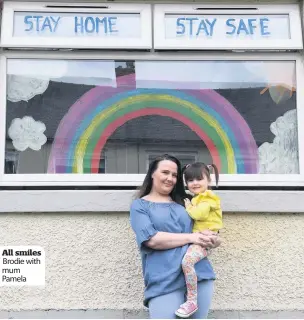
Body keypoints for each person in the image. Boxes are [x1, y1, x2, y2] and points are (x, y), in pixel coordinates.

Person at [129, 154, 221, 319]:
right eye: (165, 172)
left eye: (174, 175)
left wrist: (213, 239)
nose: (170, 178)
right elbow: (152, 240)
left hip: (198, 275)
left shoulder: (186, 202)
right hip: (163, 280)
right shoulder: (140, 206)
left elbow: (207, 227)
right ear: (152, 173)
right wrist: (192, 237)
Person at [175, 162, 223, 318]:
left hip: (203, 239)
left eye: (199, 179)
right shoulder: (199, 197)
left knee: (187, 262)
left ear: (208, 180)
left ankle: (192, 301)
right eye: (190, 180)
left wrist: (188, 205)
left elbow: (199, 215)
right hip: (201, 237)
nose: (194, 183)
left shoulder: (207, 198)